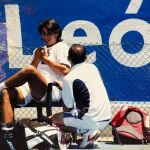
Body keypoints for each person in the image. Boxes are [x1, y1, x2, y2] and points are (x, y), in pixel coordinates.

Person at [0, 19, 70, 138]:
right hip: (32, 89)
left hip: (51, 89)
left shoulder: (62, 47)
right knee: (6, 93)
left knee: (29, 70)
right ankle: (9, 134)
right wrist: (37, 57)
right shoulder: (38, 50)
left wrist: (46, 60)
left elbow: (65, 70)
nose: (46, 36)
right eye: (43, 33)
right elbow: (31, 70)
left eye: (49, 33)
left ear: (57, 33)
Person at [50, 44, 111, 148]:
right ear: (86, 57)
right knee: (77, 113)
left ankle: (86, 131)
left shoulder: (69, 78)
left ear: (68, 58)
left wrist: (65, 89)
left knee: (53, 119)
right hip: (106, 117)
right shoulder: (94, 68)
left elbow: (67, 108)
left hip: (91, 119)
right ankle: (89, 132)